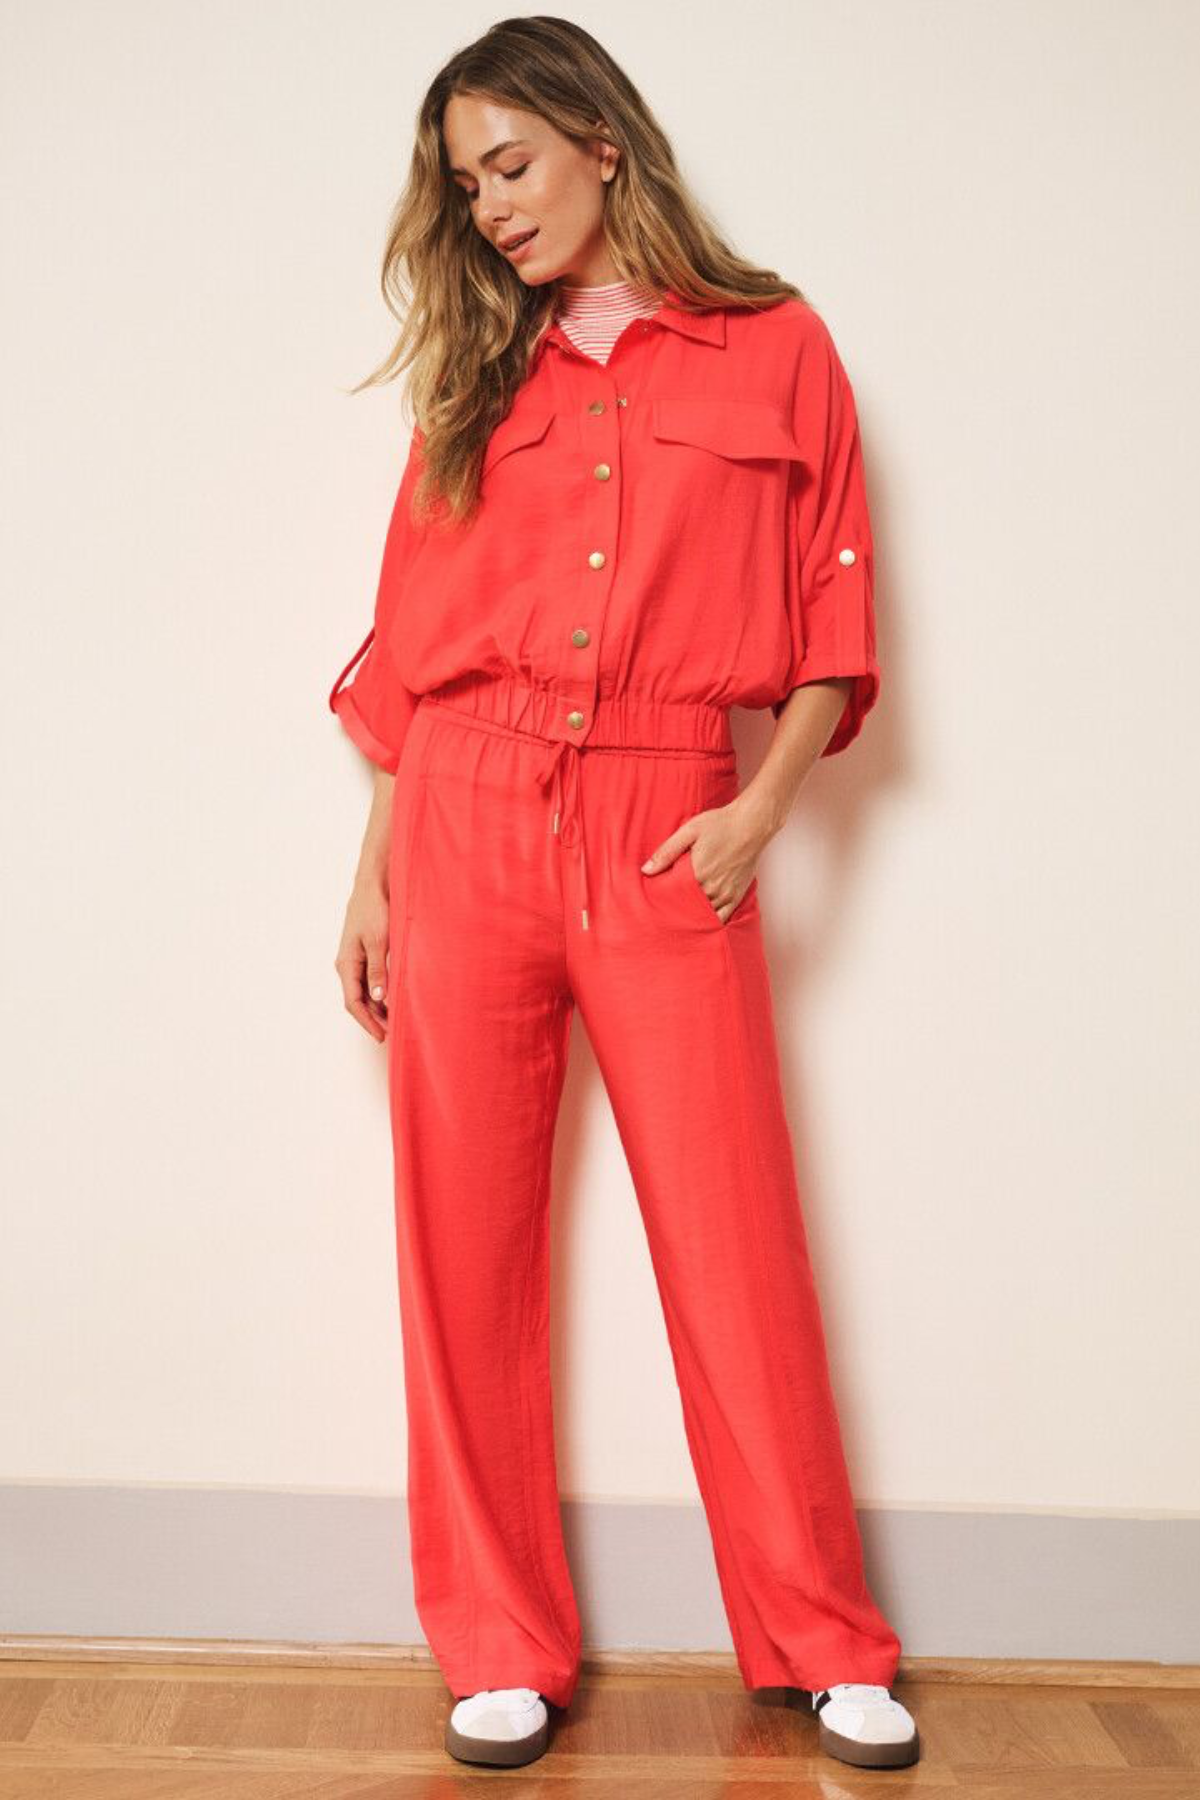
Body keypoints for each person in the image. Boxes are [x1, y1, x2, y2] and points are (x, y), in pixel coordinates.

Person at [328, 15, 919, 1775]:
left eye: (510, 164)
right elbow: (414, 651)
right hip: (465, 818)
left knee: (735, 1242)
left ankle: (823, 1638)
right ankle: (496, 1641)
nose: (491, 208)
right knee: (462, 1248)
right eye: (464, 184)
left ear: (600, 138)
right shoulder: (477, 371)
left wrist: (758, 810)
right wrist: (374, 875)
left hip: (674, 818)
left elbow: (834, 612)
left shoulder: (778, 343)